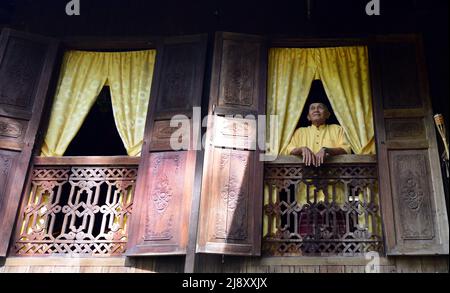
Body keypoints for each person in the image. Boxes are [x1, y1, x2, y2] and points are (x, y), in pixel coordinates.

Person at [285, 102, 351, 166]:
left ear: (327, 114)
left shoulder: (337, 129)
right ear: (308, 117)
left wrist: (327, 150)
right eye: (312, 108)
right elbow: (289, 149)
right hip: (304, 175)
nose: (316, 110)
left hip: (334, 175)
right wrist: (302, 149)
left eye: (320, 107)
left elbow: (346, 149)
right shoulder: (300, 131)